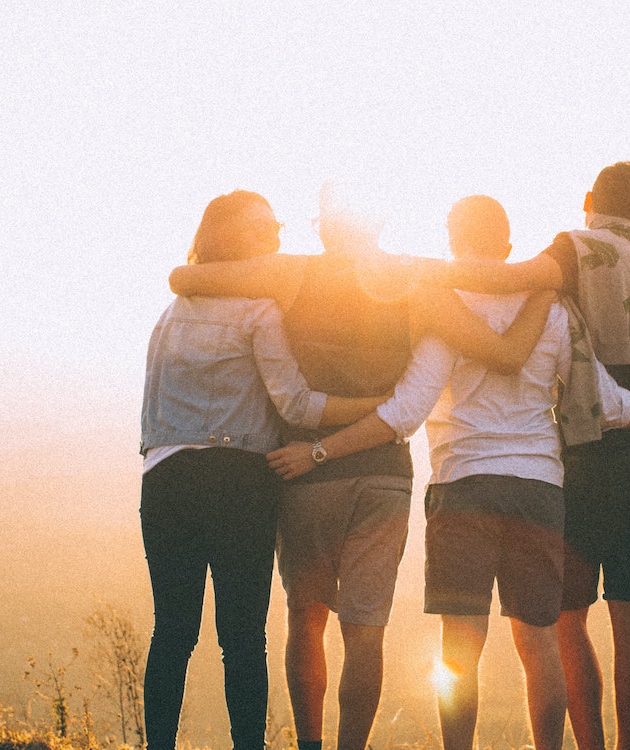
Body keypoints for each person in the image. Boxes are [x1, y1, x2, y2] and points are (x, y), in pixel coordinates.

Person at [267, 195, 630, 750]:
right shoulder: (553, 309)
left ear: (453, 242)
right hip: (539, 489)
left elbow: (404, 412)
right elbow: (609, 402)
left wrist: (321, 451)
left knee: (460, 648)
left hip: (463, 487)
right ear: (506, 243)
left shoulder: (445, 308)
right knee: (539, 641)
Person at [168, 184, 553, 750]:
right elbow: (501, 349)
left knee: (307, 618)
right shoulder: (416, 280)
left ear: (326, 225)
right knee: (365, 630)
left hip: (305, 471)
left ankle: (311, 745)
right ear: (378, 223)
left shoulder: (291, 273)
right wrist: (546, 282)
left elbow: (184, 278)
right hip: (384, 476)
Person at [414, 164, 630, 750]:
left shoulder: (578, 248)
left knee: (565, 618)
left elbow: (508, 279)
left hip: (590, 449)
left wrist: (406, 272)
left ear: (590, 199)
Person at [138, 190, 390, 750]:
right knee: (243, 637)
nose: (275, 235)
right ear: (227, 237)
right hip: (238, 481)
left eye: (276, 224)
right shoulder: (258, 310)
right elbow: (297, 406)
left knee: (172, 631)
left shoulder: (169, 314)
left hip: (164, 479)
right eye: (261, 229)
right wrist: (375, 407)